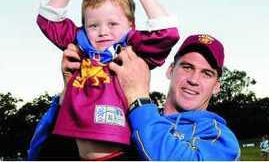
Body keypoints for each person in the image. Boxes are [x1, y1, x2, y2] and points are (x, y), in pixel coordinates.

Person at [35, 0, 179, 160]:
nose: (103, 31)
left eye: (113, 24)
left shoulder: (131, 50)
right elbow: (47, 20)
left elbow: (168, 33)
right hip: (72, 151)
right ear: (84, 27)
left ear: (131, 25)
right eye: (93, 25)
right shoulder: (81, 43)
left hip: (119, 154)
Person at [28, 34, 240, 160]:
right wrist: (69, 96)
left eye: (207, 73)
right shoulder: (132, 118)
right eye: (187, 67)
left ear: (216, 87)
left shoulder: (219, 136)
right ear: (170, 70)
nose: (194, 79)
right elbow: (38, 156)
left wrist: (138, 97)